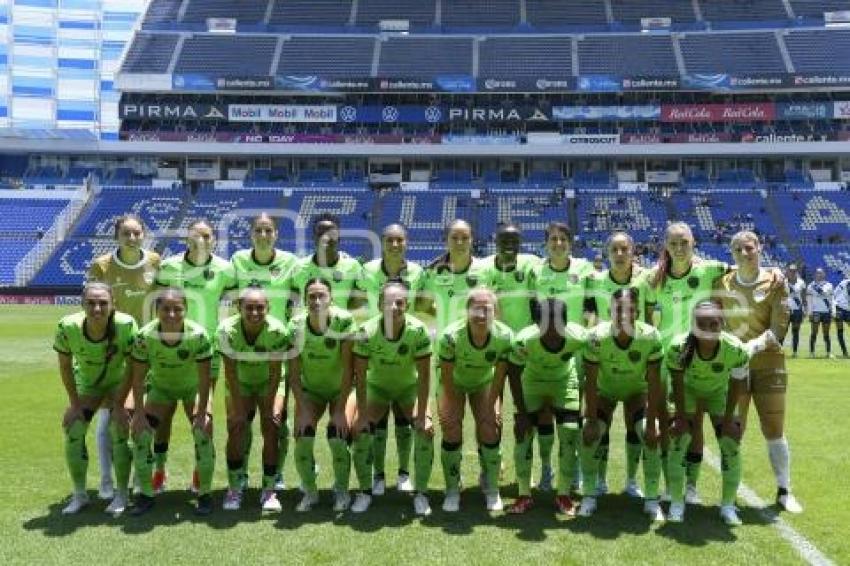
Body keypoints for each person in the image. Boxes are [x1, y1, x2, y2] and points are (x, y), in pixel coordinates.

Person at [714, 231, 803, 513]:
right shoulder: (722, 281)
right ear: (732, 253)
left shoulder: (775, 282)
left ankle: (785, 490)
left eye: (749, 248)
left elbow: (779, 328)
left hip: (769, 363)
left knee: (774, 428)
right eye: (738, 250)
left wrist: (752, 346)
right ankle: (730, 496)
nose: (744, 254)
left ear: (760, 248)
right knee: (733, 430)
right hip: (735, 367)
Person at [648, 222, 730, 505]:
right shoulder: (655, 279)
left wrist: (773, 271)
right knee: (666, 424)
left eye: (684, 242)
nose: (679, 248)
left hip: (696, 359)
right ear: (666, 247)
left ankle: (691, 486)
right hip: (664, 361)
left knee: (694, 426)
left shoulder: (710, 269)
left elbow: (742, 270)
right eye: (673, 243)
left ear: (694, 242)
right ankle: (669, 485)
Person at [153, 219, 236, 494]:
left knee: (202, 416)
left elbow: (241, 300)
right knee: (162, 416)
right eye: (195, 235)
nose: (201, 239)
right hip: (168, 348)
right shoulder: (169, 267)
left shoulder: (225, 269)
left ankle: (200, 474)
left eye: (206, 235)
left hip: (205, 351)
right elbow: (155, 302)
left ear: (214, 240)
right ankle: (159, 471)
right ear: (186, 239)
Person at [87, 214, 160, 500]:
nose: (131, 238)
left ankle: (142, 478)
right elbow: (93, 304)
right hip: (112, 354)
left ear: (144, 235)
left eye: (136, 233)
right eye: (125, 234)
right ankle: (107, 481)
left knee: (144, 421)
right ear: (116, 236)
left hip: (145, 354)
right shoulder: (102, 266)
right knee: (107, 421)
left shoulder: (155, 262)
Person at [665, 301, 758, 525]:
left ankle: (727, 506)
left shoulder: (735, 348)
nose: (708, 329)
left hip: (719, 393)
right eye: (702, 324)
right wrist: (678, 418)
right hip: (687, 391)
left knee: (730, 443)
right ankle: (677, 502)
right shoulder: (678, 347)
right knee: (679, 441)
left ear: (723, 324)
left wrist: (728, 421)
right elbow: (676, 384)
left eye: (714, 324)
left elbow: (737, 385)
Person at [578, 288, 665, 521]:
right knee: (589, 435)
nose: (624, 314)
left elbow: (654, 383)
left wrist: (652, 423)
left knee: (651, 432)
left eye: (629, 309)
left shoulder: (651, 336)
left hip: (637, 391)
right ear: (610, 311)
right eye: (618, 309)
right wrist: (591, 420)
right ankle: (589, 494)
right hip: (605, 392)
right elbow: (591, 380)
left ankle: (649, 498)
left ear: (636, 311)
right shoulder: (596, 337)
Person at [354, 224, 427, 497]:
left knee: (404, 420)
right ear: (382, 243)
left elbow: (422, 305)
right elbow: (353, 297)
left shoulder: (419, 272)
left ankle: (405, 473)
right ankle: (379, 475)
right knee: (378, 421)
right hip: (377, 345)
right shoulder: (368, 271)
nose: (395, 245)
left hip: (404, 344)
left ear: (406, 242)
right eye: (389, 240)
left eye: (400, 240)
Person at [129, 287, 214, 516]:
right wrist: (137, 414)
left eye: (178, 309)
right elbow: (137, 379)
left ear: (185, 310)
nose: (172, 314)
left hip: (192, 390)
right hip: (160, 391)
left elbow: (205, 379)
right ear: (157, 311)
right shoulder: (145, 337)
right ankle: (146, 494)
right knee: (141, 434)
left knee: (203, 433)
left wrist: (203, 411)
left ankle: (204, 493)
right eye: (166, 309)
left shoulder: (198, 335)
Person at [351, 281, 434, 515]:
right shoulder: (366, 332)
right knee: (362, 430)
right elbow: (360, 376)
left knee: (425, 431)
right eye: (389, 302)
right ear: (379, 305)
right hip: (377, 388)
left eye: (399, 302)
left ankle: (421, 494)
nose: (394, 307)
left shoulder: (418, 330)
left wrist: (423, 413)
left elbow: (425, 377)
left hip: (409, 389)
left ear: (406, 305)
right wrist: (363, 415)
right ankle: (366, 491)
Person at [54, 282, 138, 516]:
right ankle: (80, 495)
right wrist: (74, 404)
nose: (97, 308)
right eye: (91, 303)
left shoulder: (126, 324)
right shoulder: (67, 326)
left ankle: (122, 494)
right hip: (89, 385)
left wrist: (121, 404)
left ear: (113, 305)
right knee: (74, 429)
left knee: (119, 429)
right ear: (82, 304)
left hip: (119, 383)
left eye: (103, 303)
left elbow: (133, 367)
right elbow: (65, 366)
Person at [585, 231, 655, 498]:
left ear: (633, 251)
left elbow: (647, 317)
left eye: (625, 249)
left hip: (635, 355)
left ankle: (631, 481)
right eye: (614, 249)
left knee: (634, 423)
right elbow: (588, 316)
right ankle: (600, 481)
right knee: (598, 422)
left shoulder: (645, 280)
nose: (620, 254)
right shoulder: (596, 280)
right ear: (607, 253)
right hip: (605, 356)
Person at [231, 213, 297, 490]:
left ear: (276, 234)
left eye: (268, 230)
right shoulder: (237, 261)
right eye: (258, 230)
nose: (263, 235)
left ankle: (276, 474)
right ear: (251, 234)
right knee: (240, 422)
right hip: (243, 347)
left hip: (276, 348)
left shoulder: (290, 262)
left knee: (277, 421)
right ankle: (241, 476)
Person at [527, 222, 594, 492]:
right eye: (553, 239)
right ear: (546, 243)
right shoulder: (534, 271)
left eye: (563, 239)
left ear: (570, 242)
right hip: (542, 355)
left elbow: (594, 303)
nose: (558, 243)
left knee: (572, 418)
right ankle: (546, 470)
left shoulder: (585, 270)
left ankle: (573, 467)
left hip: (573, 356)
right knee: (543, 414)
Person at [505, 297, 586, 515]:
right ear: (535, 323)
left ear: (566, 322)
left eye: (558, 324)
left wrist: (583, 397)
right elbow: (513, 373)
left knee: (570, 432)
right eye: (545, 325)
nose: (552, 331)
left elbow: (591, 365)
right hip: (532, 384)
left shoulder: (579, 337)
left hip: (564, 383)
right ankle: (523, 495)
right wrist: (521, 413)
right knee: (523, 435)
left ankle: (563, 495)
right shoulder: (524, 340)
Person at [437, 288, 513, 513]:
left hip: (484, 383)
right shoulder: (451, 337)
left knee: (490, 426)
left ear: (495, 312)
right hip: (454, 383)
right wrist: (451, 407)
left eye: (486, 309)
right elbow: (447, 376)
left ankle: (491, 487)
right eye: (476, 309)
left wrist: (491, 408)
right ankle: (452, 488)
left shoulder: (504, 336)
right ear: (467, 311)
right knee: (451, 427)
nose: (481, 314)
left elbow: (499, 375)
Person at [288, 278, 358, 512]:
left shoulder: (344, 322)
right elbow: (294, 375)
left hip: (341, 390)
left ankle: (341, 491)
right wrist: (304, 410)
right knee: (303, 436)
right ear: (305, 299)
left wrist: (339, 411)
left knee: (337, 437)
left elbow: (350, 370)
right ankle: (310, 492)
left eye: (321, 296)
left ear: (331, 298)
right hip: (312, 391)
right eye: (311, 296)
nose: (317, 301)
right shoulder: (296, 326)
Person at [218, 287, 288, 512]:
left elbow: (276, 372)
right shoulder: (226, 330)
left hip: (270, 381)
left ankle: (269, 490)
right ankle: (235, 488)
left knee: (271, 426)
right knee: (236, 426)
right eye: (249, 307)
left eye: (260, 307)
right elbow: (229, 372)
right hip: (241, 382)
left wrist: (269, 407)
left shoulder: (277, 330)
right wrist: (238, 408)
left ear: (268, 308)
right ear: (239, 308)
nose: (255, 312)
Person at [806, 268, 834, 358]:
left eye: (821, 273)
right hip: (815, 312)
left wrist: (833, 311)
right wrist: (809, 313)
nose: (819, 275)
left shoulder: (829, 285)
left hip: (826, 312)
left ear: (824, 274)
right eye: (818, 273)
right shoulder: (810, 286)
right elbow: (809, 300)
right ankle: (811, 352)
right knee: (814, 332)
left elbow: (831, 299)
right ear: (815, 275)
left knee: (826, 333)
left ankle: (828, 353)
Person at [783, 264, 806, 358]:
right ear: (787, 272)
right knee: (783, 331)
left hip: (797, 310)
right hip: (785, 310)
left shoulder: (801, 282)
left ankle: (795, 352)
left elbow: (804, 297)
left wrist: (805, 309)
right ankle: (779, 350)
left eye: (794, 271)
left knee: (795, 331)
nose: (792, 272)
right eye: (790, 271)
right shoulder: (783, 282)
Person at [833, 272, 849, 358]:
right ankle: (845, 352)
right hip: (840, 308)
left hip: (849, 310)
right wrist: (835, 307)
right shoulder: (843, 283)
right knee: (840, 330)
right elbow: (834, 294)